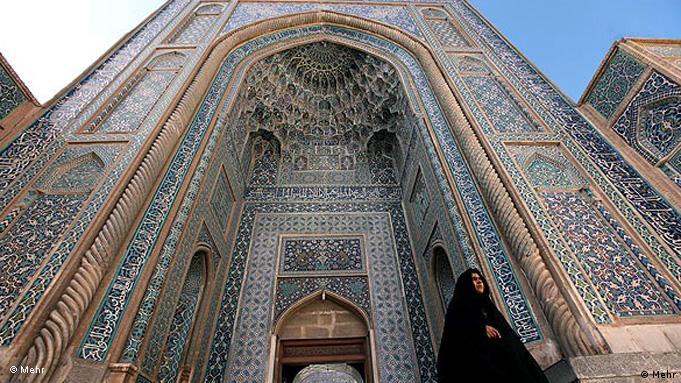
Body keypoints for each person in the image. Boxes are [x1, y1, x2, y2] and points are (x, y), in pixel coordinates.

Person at [437, 268, 549, 382]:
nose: (479, 281)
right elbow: (455, 336)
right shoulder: (458, 306)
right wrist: (479, 327)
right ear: (466, 285)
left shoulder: (486, 305)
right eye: (474, 280)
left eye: (480, 278)